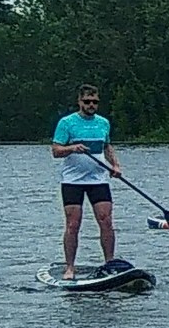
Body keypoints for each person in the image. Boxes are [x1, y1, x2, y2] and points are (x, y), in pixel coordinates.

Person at [48, 84, 120, 278]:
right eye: (87, 102)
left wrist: (115, 165)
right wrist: (72, 148)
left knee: (106, 221)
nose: (91, 105)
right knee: (73, 224)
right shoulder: (67, 123)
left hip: (98, 180)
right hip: (73, 181)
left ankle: (110, 263)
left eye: (95, 102)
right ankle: (70, 267)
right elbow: (56, 151)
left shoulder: (103, 123)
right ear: (79, 101)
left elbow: (107, 147)